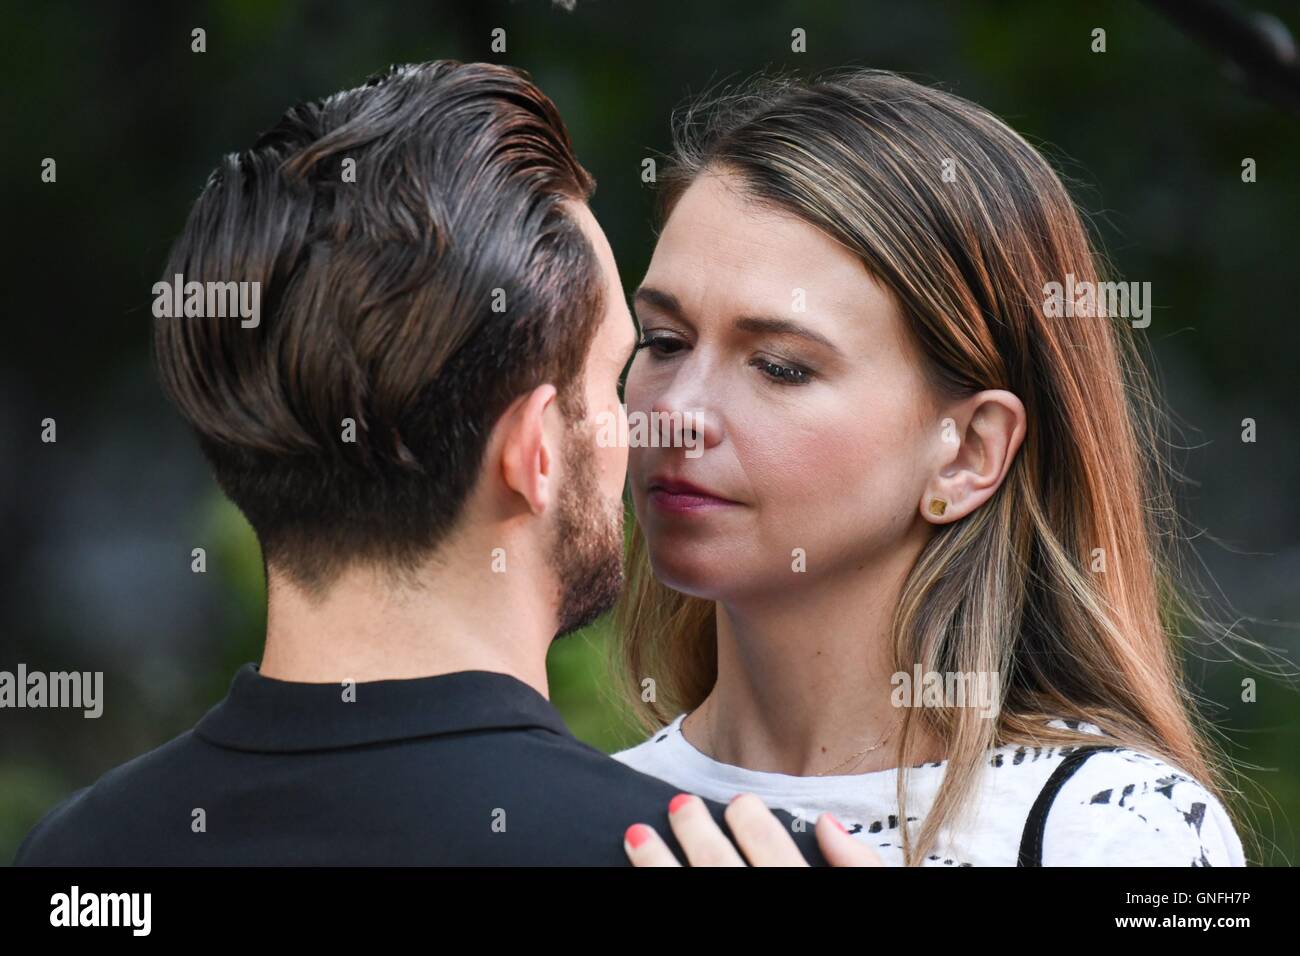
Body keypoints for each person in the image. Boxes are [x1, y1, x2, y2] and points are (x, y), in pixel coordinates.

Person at [13, 60, 861, 867]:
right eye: (615, 378)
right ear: (534, 450)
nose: (648, 428)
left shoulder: (81, 855)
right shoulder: (696, 854)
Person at [611, 69, 1249, 867]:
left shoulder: (1114, 830)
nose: (679, 412)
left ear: (971, 452)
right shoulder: (575, 811)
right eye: (663, 343)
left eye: (779, 366)